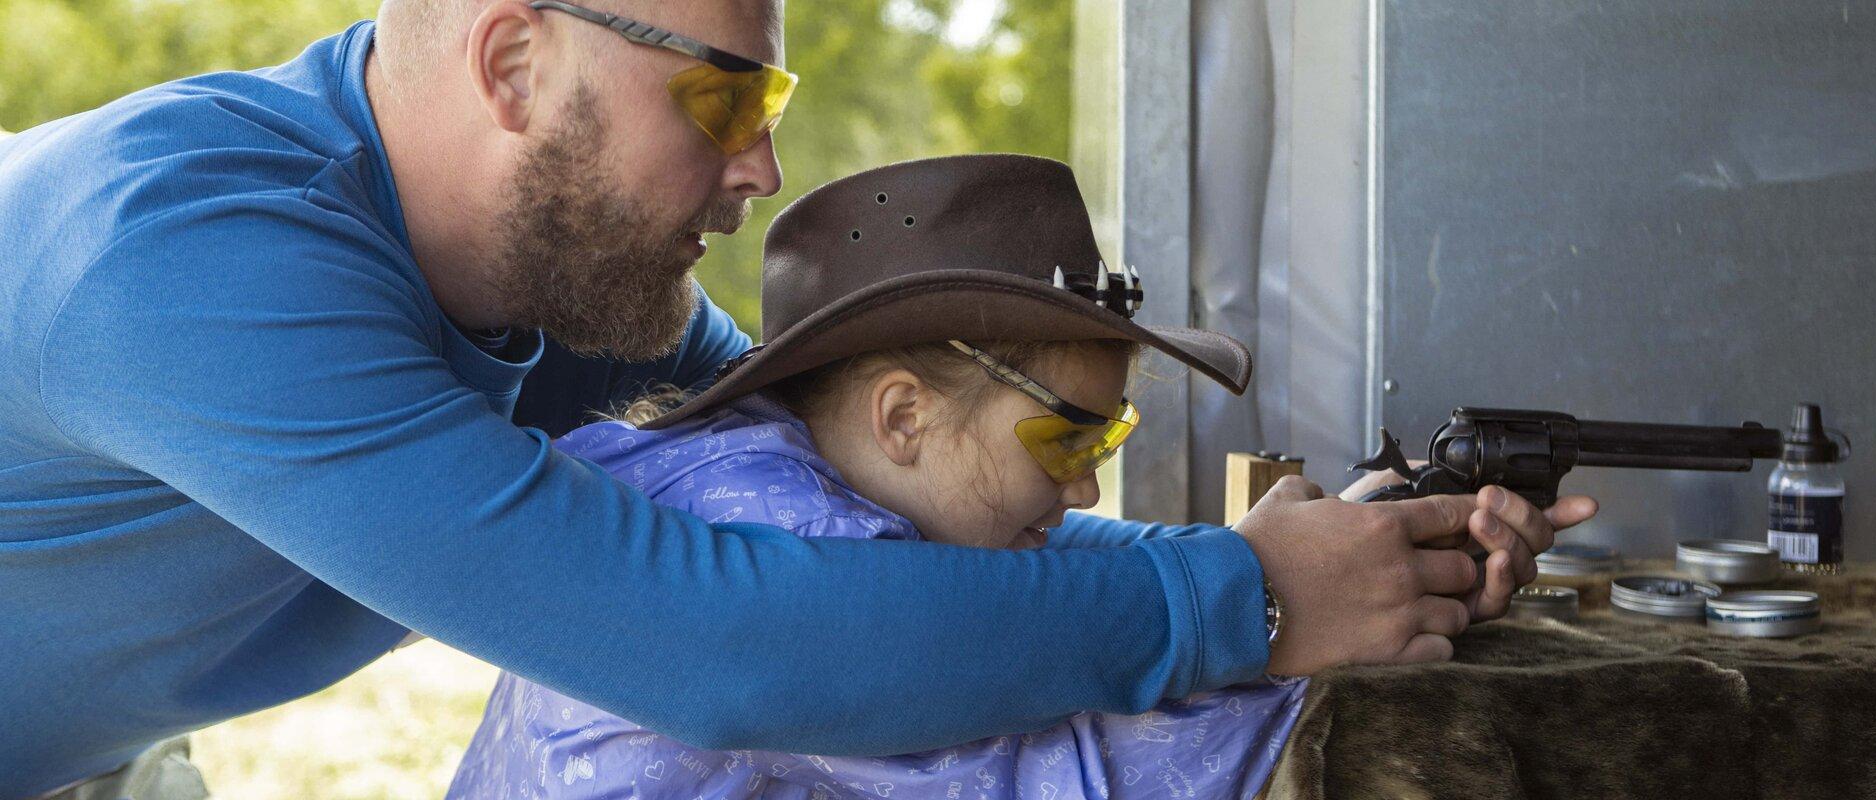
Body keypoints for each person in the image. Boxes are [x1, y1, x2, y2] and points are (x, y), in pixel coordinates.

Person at [0, 2, 1595, 798]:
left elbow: (877, 537)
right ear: (510, 68)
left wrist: (1348, 559)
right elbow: (713, 640)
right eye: (723, 95)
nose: (759, 171)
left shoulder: (582, 299)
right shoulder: (179, 258)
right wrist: (1236, 602)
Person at [445, 155, 1361, 800]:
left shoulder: (755, 469)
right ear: (904, 417)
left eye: (1107, 440)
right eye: (1065, 442)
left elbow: (1045, 579)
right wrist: (1302, 621)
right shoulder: (797, 536)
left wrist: (1289, 560)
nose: (1085, 488)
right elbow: (1049, 778)